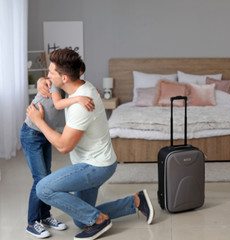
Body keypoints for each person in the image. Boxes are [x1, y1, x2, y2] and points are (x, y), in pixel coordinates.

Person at [26, 48, 154, 240]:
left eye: (52, 72)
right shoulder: (80, 88)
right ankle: (135, 202)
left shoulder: (82, 105)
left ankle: (99, 220)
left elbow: (63, 146)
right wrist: (42, 81)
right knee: (80, 221)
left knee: (43, 188)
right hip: (95, 162)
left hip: (95, 167)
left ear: (65, 78)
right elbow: (52, 87)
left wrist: (38, 121)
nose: (48, 75)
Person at [21, 62, 95, 238]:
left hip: (44, 133)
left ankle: (45, 216)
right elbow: (59, 104)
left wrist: (90, 93)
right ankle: (32, 222)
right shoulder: (53, 84)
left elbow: (78, 91)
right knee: (40, 179)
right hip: (31, 134)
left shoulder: (69, 87)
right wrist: (78, 98)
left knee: (46, 176)